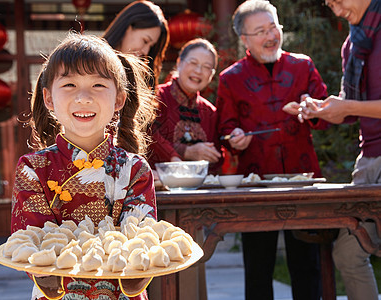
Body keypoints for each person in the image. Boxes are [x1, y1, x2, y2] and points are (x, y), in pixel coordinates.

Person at [10, 33, 157, 300]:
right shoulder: (33, 169)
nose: (84, 97)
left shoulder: (135, 169)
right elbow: (31, 246)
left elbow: (142, 245)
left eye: (98, 85)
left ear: (119, 100)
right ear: (49, 98)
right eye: (69, 85)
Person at [216, 1, 329, 299]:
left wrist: (312, 109)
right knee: (258, 267)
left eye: (273, 27)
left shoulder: (302, 66)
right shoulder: (230, 78)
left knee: (308, 265)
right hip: (256, 182)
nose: (270, 36)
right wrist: (234, 137)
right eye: (261, 31)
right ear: (245, 39)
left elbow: (327, 112)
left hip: (302, 178)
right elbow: (224, 128)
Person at [287, 0, 381, 299]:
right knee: (348, 254)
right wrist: (320, 109)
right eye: (330, 4)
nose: (337, 11)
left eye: (339, 1)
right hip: (369, 161)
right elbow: (349, 110)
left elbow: (352, 106)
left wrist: (347, 106)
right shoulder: (353, 42)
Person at [148, 38, 223, 174]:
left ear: (211, 75)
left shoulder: (210, 112)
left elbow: (217, 158)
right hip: (157, 186)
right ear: (179, 62)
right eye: (193, 63)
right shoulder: (156, 98)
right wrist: (186, 151)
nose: (198, 71)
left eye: (206, 67)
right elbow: (147, 136)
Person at [103, 0, 169, 87]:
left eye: (151, 46)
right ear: (128, 27)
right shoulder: (93, 62)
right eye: (145, 41)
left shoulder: (138, 78)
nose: (146, 51)